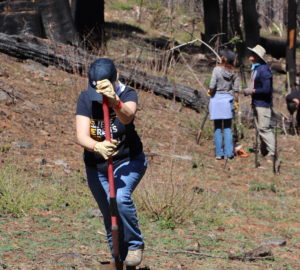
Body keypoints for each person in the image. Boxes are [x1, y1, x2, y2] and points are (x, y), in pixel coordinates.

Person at [75, 58, 147, 267]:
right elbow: (81, 134)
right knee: (109, 213)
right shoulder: (86, 98)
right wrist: (96, 146)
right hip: (96, 167)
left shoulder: (127, 94)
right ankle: (119, 260)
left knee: (120, 198)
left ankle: (135, 244)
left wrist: (114, 101)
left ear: (115, 80)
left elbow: (127, 117)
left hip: (128, 160)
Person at [243, 44, 275, 162]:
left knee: (264, 129)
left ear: (256, 57)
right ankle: (264, 151)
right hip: (256, 102)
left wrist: (252, 91)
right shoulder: (256, 69)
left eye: (252, 54)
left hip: (263, 104)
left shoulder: (264, 70)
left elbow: (266, 89)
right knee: (259, 128)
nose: (250, 55)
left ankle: (272, 153)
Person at [208, 49, 240, 160]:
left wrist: (211, 92)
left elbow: (212, 86)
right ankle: (229, 153)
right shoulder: (235, 72)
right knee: (227, 128)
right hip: (228, 101)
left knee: (217, 128)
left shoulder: (216, 70)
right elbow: (236, 90)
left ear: (223, 58)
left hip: (216, 100)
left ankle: (219, 153)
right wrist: (236, 102)